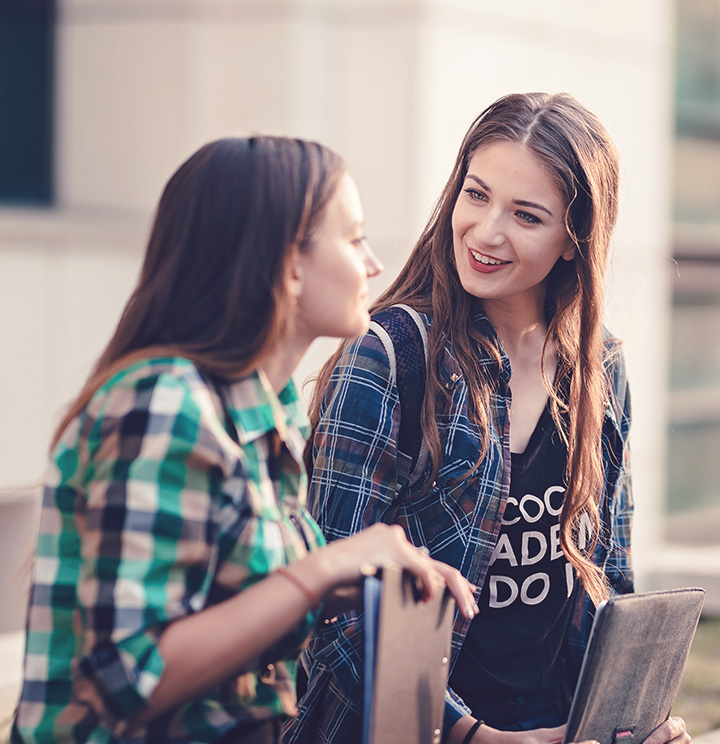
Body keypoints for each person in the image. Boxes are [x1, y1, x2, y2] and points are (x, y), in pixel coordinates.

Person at [10, 136, 477, 744]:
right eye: (354, 237)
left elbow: (229, 616)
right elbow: (129, 676)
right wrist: (322, 569)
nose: (374, 264)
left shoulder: (272, 412)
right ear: (290, 262)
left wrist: (351, 584)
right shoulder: (165, 403)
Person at [284, 93, 690, 744]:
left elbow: (610, 579)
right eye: (476, 196)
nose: (486, 231)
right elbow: (332, 614)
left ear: (572, 240)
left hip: (557, 722)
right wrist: (475, 737)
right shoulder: (387, 356)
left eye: (526, 216)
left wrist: (625, 717)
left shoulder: (600, 366)